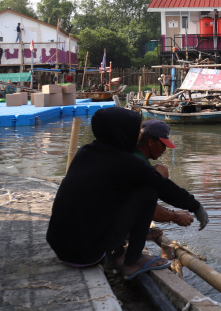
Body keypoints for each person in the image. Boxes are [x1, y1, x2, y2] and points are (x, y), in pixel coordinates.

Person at [46, 107, 209, 280]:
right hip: (86, 253)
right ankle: (133, 260)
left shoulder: (85, 151)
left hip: (60, 246)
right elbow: (166, 188)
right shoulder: (128, 162)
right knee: (148, 191)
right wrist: (196, 207)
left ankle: (118, 253)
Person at [136, 120, 195, 227]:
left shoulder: (135, 156)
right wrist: (176, 216)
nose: (164, 149)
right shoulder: (138, 163)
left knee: (161, 169)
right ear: (151, 142)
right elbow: (145, 205)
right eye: (163, 144)